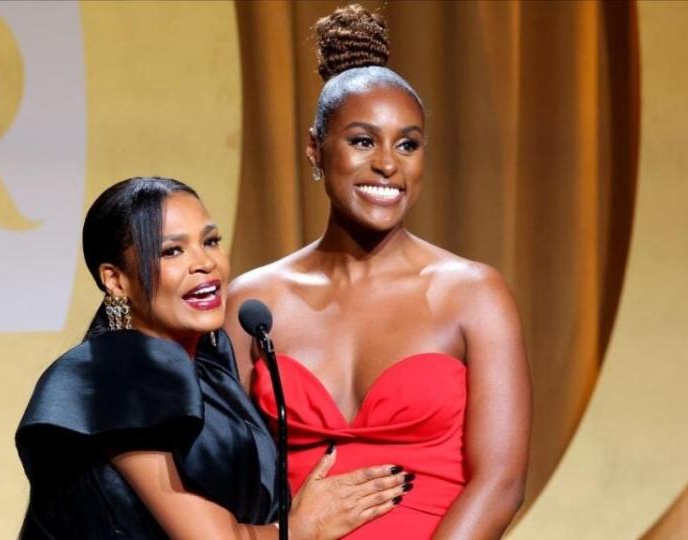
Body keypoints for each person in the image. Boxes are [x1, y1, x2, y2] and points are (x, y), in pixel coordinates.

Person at [225, 6, 531, 540]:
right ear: (315, 150)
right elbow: (215, 478)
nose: (389, 164)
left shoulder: (472, 294)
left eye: (407, 144)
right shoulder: (253, 303)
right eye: (363, 141)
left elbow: (501, 482)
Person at [16, 177, 413, 539]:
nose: (204, 263)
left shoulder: (210, 370)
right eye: (172, 251)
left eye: (210, 241)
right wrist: (305, 527)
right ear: (116, 280)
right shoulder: (113, 381)